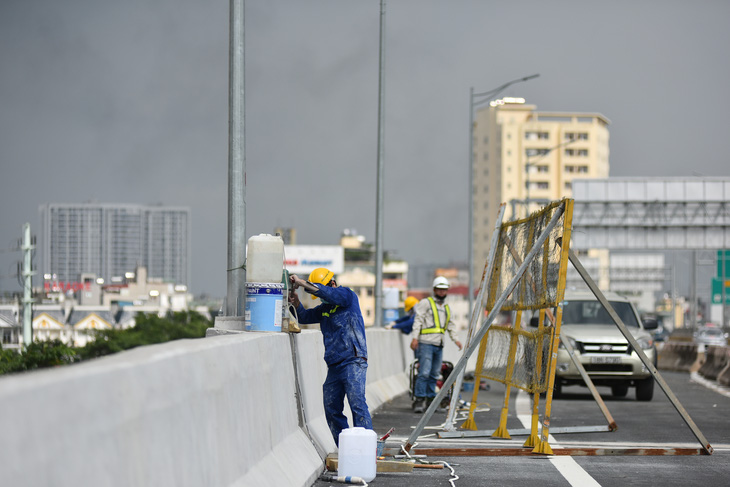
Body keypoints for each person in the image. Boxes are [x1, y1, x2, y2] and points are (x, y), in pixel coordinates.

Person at [288, 267, 373, 445]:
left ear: (332, 283)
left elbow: (328, 294)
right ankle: (346, 448)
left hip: (353, 360)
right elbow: (304, 317)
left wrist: (302, 283)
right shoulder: (325, 309)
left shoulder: (346, 296)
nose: (320, 297)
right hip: (335, 365)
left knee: (357, 403)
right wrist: (296, 303)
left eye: (320, 290)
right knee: (331, 407)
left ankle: (365, 447)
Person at [410, 276, 463, 414]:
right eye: (439, 289)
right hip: (426, 343)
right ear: (434, 290)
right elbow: (418, 320)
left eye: (444, 290)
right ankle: (419, 400)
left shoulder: (445, 307)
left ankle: (430, 401)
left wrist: (456, 339)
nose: (441, 292)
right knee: (424, 372)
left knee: (434, 374)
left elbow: (450, 325)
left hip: (439, 344)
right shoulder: (425, 303)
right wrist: (415, 338)